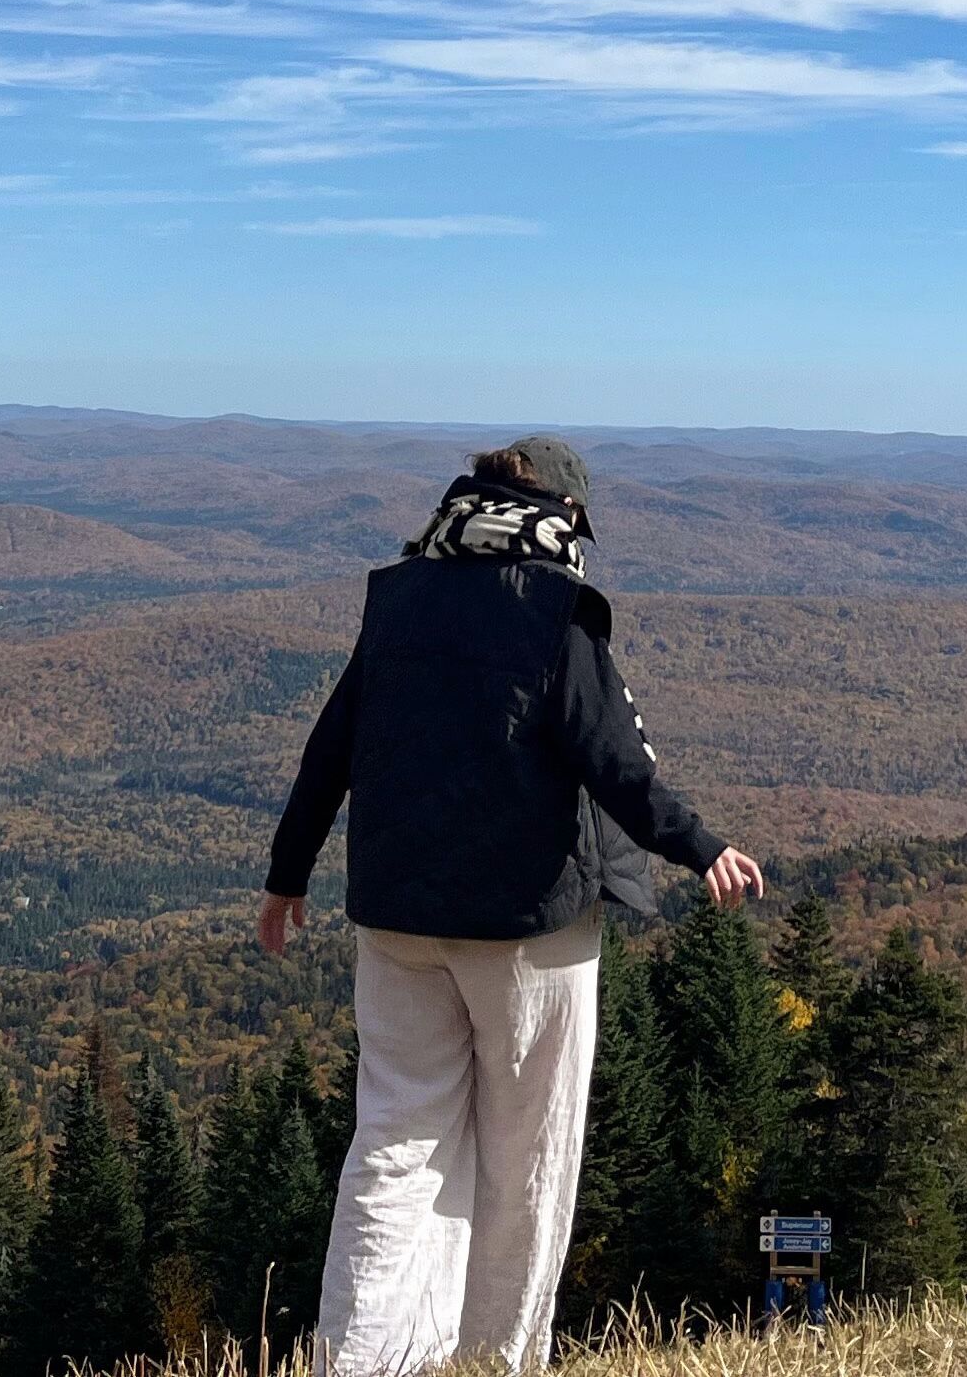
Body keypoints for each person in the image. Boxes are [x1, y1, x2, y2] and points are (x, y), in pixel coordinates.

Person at [259, 433, 765, 1377]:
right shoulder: (555, 612)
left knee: (394, 1146)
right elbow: (616, 761)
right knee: (528, 1165)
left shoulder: (400, 596)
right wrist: (702, 849)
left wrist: (287, 877)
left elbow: (329, 748)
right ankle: (495, 1360)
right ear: (566, 516)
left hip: (396, 919)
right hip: (530, 931)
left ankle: (359, 1359)